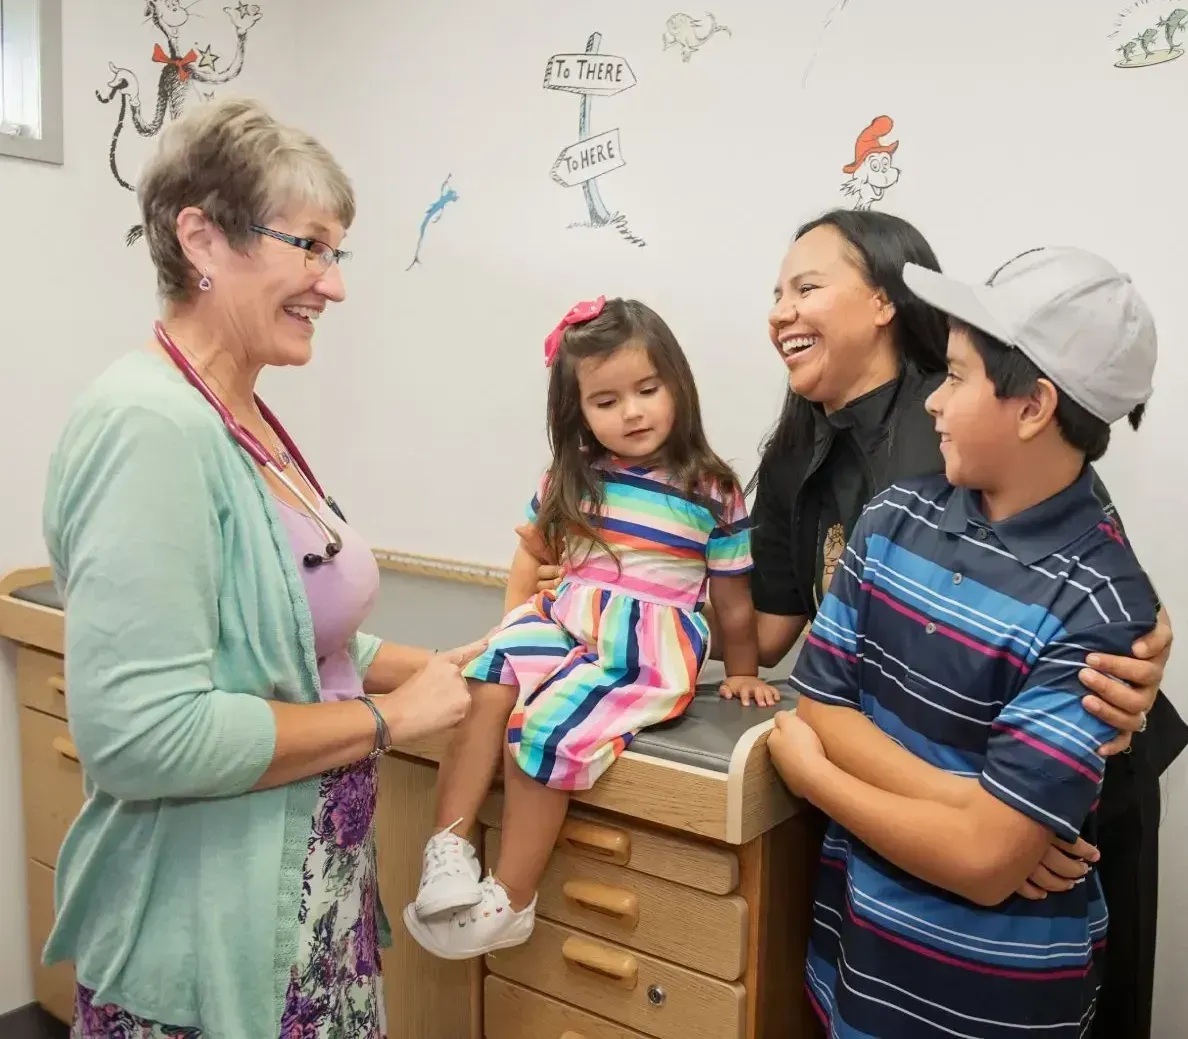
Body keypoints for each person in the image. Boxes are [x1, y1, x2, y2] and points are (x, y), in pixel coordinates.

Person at [518, 209, 1184, 1037]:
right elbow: (764, 638)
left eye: (807, 286)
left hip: (1065, 814)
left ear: (883, 302)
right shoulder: (812, 456)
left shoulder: (969, 449)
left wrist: (1005, 821)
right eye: (775, 292)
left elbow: (1086, 574)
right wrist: (608, 594)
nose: (779, 311)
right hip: (913, 851)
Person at [41, 97, 484, 1038]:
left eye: (340, 252)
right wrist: (390, 719)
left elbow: (277, 616)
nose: (335, 284)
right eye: (311, 246)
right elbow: (141, 736)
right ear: (201, 237)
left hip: (308, 908)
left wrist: (442, 662)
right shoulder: (150, 427)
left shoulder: (237, 415)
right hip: (210, 939)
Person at [766, 244, 1160, 1037]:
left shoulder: (1101, 602)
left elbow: (984, 861)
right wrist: (968, 807)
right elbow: (824, 701)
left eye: (956, 376)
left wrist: (819, 777)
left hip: (994, 1001)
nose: (936, 402)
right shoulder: (894, 518)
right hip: (863, 962)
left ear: (1034, 405)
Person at [401, 296, 779, 960]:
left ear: (676, 386)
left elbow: (734, 598)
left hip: (646, 645)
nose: (632, 411)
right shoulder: (571, 480)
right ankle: (451, 844)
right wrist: (514, 626)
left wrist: (742, 670)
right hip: (568, 617)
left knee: (545, 728)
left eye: (646, 389)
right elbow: (533, 553)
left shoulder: (711, 487)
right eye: (606, 401)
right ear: (579, 411)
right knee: (484, 673)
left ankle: (513, 895)